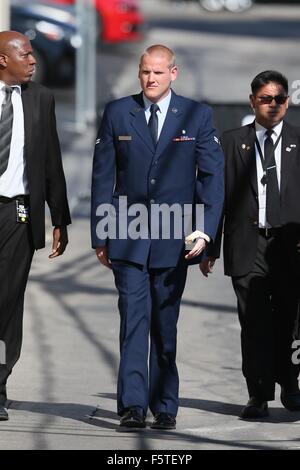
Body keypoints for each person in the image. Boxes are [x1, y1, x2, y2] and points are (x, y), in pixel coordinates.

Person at [91, 44, 224, 429]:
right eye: (145, 72)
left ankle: (165, 403)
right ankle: (132, 405)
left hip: (175, 237)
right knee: (133, 320)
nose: (150, 79)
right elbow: (103, 175)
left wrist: (205, 231)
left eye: (158, 72)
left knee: (164, 325)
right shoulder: (118, 112)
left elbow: (212, 179)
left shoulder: (197, 115)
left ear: (174, 73)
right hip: (128, 235)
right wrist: (102, 235)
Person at [200, 70, 300, 419]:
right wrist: (210, 245)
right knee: (254, 321)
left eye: (279, 99)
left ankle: (290, 385)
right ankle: (257, 395)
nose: (273, 105)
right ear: (252, 101)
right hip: (247, 242)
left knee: (290, 320)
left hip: (290, 245)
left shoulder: (298, 140)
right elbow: (218, 196)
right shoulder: (231, 141)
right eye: (265, 99)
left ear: (287, 101)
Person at [0, 31, 71, 421]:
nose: (33, 60)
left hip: (19, 211)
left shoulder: (40, 98)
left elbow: (51, 161)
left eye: (32, 54)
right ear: (2, 60)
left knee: (7, 302)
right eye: (25, 54)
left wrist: (59, 217)